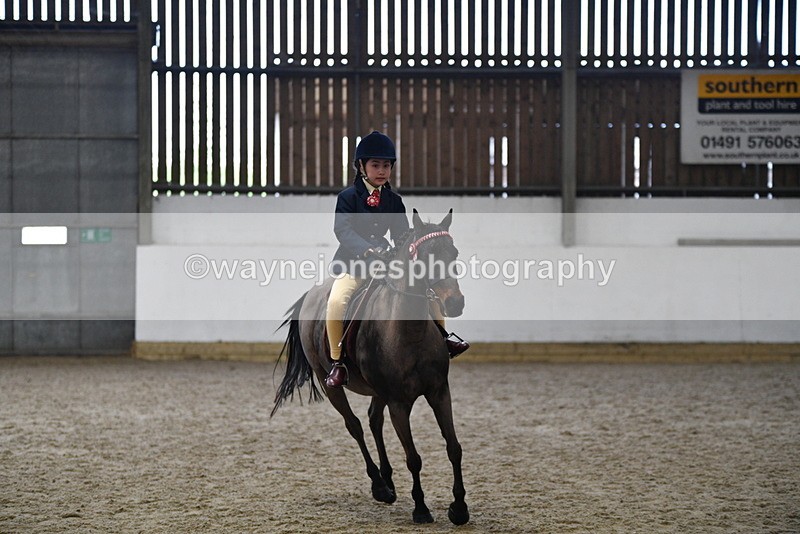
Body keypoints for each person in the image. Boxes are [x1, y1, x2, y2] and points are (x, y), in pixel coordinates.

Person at [324, 130, 470, 388]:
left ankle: (444, 337)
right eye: (375, 165)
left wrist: (414, 248)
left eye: (386, 166)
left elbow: (402, 236)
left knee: (428, 291)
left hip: (386, 263)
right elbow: (343, 231)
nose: (381, 171)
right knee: (337, 300)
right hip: (353, 262)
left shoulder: (394, 200)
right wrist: (368, 249)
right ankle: (338, 362)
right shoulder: (347, 197)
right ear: (361, 166)